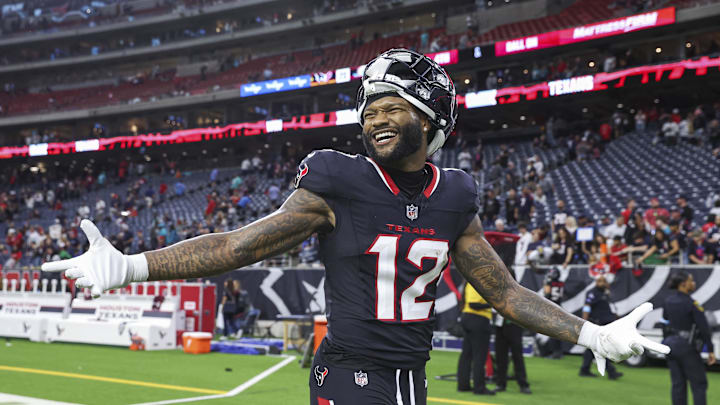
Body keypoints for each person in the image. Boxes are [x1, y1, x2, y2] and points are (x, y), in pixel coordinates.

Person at [42, 49, 668, 405]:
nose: (376, 122)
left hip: (408, 375)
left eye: (394, 109)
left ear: (433, 123)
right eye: (370, 112)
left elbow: (503, 293)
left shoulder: (455, 195)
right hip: (351, 371)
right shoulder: (338, 181)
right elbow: (236, 245)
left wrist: (591, 332)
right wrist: (132, 264)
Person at [663, 271, 716, 405]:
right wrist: (710, 349)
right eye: (691, 280)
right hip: (687, 347)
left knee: (678, 385)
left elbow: (665, 319)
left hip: (670, 345)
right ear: (683, 284)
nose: (693, 283)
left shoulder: (668, 301)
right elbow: (704, 329)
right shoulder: (692, 304)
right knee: (699, 384)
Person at [579, 276, 624, 380]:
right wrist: (584, 321)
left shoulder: (606, 293)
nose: (602, 283)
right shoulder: (592, 293)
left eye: (604, 281)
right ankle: (611, 372)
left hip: (606, 323)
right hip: (597, 324)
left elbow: (609, 308)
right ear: (596, 283)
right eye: (599, 281)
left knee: (592, 348)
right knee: (602, 348)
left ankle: (584, 370)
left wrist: (617, 318)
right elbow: (587, 306)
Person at [456, 283, 494, 395]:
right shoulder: (476, 283)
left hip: (468, 318)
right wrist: (493, 304)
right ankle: (479, 388)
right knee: (479, 356)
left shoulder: (469, 282)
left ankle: (463, 385)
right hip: (478, 319)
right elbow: (474, 304)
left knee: (466, 354)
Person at [543, 267, 565, 359]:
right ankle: (559, 352)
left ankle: (555, 353)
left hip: (552, 308)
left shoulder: (549, 283)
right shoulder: (561, 284)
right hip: (559, 307)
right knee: (558, 332)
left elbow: (547, 294)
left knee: (552, 332)